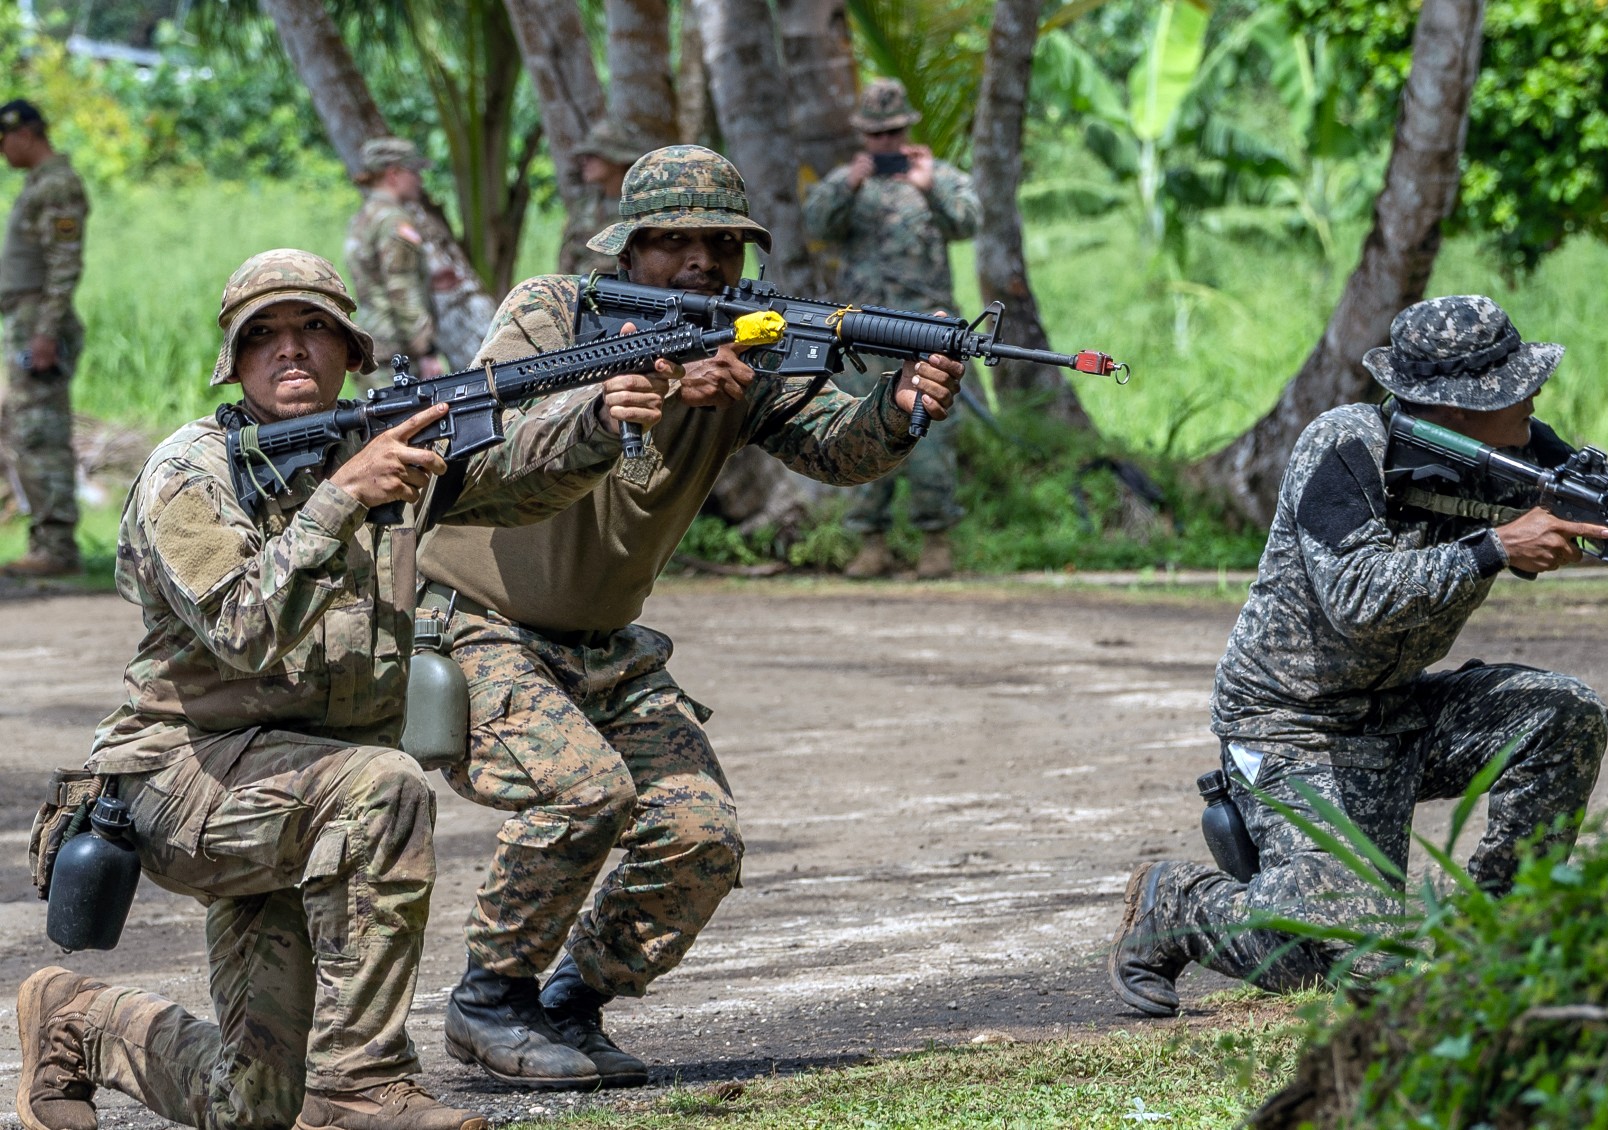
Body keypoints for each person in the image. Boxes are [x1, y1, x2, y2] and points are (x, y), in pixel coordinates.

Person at [14, 248, 669, 1130]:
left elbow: (517, 479)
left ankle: (79, 1024)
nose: (292, 352)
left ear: (352, 353)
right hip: (181, 781)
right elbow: (242, 623)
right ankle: (363, 1084)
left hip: (299, 787)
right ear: (235, 361)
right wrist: (339, 500)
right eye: (266, 336)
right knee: (384, 791)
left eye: (315, 330)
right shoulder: (192, 474)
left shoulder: (386, 451)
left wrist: (597, 415)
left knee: (251, 1104)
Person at [414, 144, 964, 1090]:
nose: (702, 261)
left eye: (721, 242)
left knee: (699, 832)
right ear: (629, 253)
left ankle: (569, 1005)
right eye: (674, 242)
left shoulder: (745, 341)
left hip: (604, 646)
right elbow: (491, 442)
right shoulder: (556, 313)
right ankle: (487, 1002)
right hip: (479, 620)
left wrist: (902, 406)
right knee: (583, 792)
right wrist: (650, 390)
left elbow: (830, 444)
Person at [1107, 296, 1608, 1016]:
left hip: (1399, 709)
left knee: (1562, 713)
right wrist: (1496, 547)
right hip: (1290, 726)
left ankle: (1501, 938)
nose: (1533, 396)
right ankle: (1179, 905)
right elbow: (1356, 595)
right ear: (1463, 407)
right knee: (1364, 972)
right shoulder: (1344, 447)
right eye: (1513, 388)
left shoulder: (1520, 454)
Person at [804, 78, 980, 580]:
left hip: (925, 327)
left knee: (933, 436)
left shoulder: (936, 177)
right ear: (863, 136)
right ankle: (870, 541)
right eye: (875, 135)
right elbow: (815, 224)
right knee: (861, 423)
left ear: (906, 130)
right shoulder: (847, 182)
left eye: (892, 133)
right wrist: (848, 183)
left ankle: (936, 540)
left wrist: (930, 186)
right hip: (863, 331)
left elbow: (969, 221)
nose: (884, 144)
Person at [0, 98, 87, 577]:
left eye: (3, 141)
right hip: (28, 317)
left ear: (24, 133)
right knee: (29, 431)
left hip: (40, 322)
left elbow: (63, 264)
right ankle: (46, 542)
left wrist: (45, 332)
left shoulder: (57, 185)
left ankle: (56, 547)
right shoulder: (40, 185)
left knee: (41, 432)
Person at [346, 137, 444, 389]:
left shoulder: (364, 217)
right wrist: (426, 350)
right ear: (394, 173)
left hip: (373, 345)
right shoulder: (393, 220)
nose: (419, 180)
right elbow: (401, 288)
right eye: (414, 171)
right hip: (397, 352)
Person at [558, 119, 648, 277]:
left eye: (593, 155)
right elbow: (565, 267)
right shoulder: (583, 209)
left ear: (617, 158)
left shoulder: (646, 210)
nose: (584, 161)